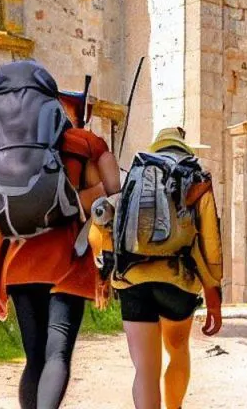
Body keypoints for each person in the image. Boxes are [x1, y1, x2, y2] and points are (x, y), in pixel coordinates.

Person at [0, 67, 121, 409]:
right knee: (57, 354)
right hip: (68, 263)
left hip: (21, 264)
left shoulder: (0, 150)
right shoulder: (85, 143)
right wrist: (105, 269)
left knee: (34, 358)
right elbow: (111, 197)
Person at [95, 127, 224, 409]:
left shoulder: (138, 174)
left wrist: (104, 275)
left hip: (132, 279)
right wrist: (214, 289)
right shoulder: (195, 176)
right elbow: (210, 241)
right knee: (177, 351)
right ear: (183, 147)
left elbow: (108, 228)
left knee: (145, 368)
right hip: (177, 278)